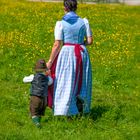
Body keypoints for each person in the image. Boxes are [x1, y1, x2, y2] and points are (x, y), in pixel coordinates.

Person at [47, 0, 93, 116]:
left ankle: (65, 110)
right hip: (82, 53)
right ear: (76, 7)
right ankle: (82, 108)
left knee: (66, 80)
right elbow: (90, 41)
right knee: (82, 81)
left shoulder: (61, 23)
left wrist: (50, 61)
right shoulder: (84, 22)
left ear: (65, 8)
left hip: (67, 53)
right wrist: (80, 44)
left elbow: (57, 44)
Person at [23, 59, 53, 128]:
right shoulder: (47, 78)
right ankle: (38, 121)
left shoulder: (33, 77)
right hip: (44, 99)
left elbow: (24, 80)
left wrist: (29, 76)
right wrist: (49, 75)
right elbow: (51, 82)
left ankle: (37, 123)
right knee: (40, 112)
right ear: (45, 70)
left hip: (35, 97)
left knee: (34, 112)